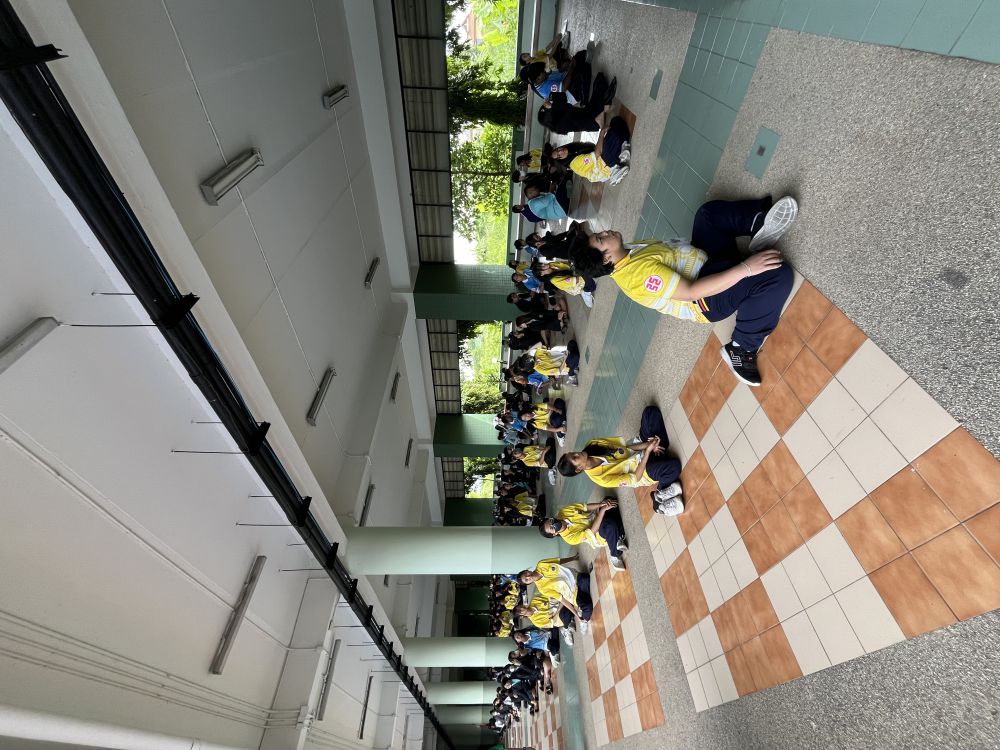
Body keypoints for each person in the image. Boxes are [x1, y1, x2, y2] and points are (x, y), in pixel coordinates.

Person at [573, 197, 799, 386]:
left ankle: (759, 224)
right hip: (705, 299)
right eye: (601, 239)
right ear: (606, 259)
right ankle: (741, 349)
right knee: (778, 276)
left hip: (704, 263)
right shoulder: (638, 277)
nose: (606, 231)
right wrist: (746, 268)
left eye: (599, 234)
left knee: (707, 216)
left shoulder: (624, 252)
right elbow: (692, 292)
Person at [556, 405, 684, 515]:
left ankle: (660, 449)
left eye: (572, 453)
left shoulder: (592, 445)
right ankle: (659, 496)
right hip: (643, 469)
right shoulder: (602, 479)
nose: (577, 453)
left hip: (639, 451)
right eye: (575, 458)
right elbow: (635, 478)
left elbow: (626, 448)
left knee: (650, 412)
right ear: (579, 469)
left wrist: (648, 445)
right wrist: (648, 452)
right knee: (674, 467)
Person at [517, 556, 592, 643]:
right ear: (529, 583)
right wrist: (578, 617)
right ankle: (574, 622)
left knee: (586, 579)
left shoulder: (541, 564)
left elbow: (559, 561)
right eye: (527, 580)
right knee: (587, 609)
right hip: (571, 594)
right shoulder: (542, 589)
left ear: (526, 571)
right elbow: (561, 599)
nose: (528, 576)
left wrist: (574, 558)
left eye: (526, 574)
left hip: (575, 578)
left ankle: (580, 605)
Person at [540, 497, 628, 570]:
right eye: (552, 528)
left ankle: (618, 537)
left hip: (594, 517)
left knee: (610, 501)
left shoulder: (563, 512)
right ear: (554, 534)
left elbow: (585, 507)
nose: (553, 524)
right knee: (609, 524)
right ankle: (615, 555)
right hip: (596, 533)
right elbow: (591, 532)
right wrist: (602, 511)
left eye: (550, 521)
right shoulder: (570, 539)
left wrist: (601, 505)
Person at [550, 116, 632, 185]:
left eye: (558, 150)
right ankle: (614, 169)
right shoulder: (574, 163)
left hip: (601, 158)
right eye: (559, 155)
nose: (560, 151)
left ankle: (621, 151)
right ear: (561, 160)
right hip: (604, 166)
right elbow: (597, 153)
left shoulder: (572, 150)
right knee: (614, 134)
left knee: (615, 121)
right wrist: (602, 133)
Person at [538, 73, 616, 135]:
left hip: (587, 111)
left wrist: (551, 99)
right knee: (604, 96)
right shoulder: (559, 128)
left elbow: (563, 97)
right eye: (548, 110)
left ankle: (603, 106)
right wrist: (553, 105)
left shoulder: (556, 112)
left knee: (600, 79)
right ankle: (604, 108)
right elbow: (569, 109)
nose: (550, 109)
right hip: (592, 121)